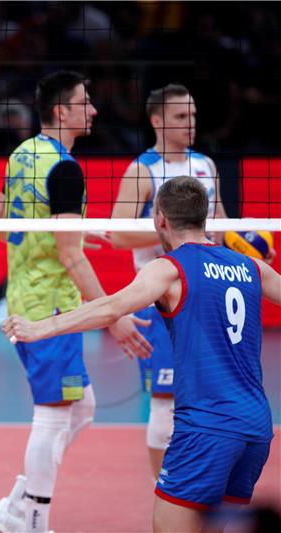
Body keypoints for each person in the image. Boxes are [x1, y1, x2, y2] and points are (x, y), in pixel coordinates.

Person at [3, 176, 279, 533]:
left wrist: (39, 328)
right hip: (256, 427)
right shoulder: (252, 267)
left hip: (207, 428)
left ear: (160, 219)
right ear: (205, 217)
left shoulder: (170, 267)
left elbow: (111, 307)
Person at [0, 70, 150, 533]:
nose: (93, 109)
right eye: (85, 101)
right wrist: (115, 316)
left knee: (83, 407)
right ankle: (33, 521)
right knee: (54, 415)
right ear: (62, 111)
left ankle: (15, 506)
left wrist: (72, 233)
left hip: (23, 295)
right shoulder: (66, 168)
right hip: (51, 308)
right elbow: (69, 258)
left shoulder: (22, 154)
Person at [109, 83, 231, 481]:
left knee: (208, 395)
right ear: (157, 121)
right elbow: (117, 234)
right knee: (164, 400)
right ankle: (165, 490)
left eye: (193, 115)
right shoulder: (142, 170)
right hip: (160, 297)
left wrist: (246, 249)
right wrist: (181, 232)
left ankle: (199, 481)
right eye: (181, 117)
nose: (190, 124)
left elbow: (223, 225)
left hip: (208, 292)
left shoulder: (206, 166)